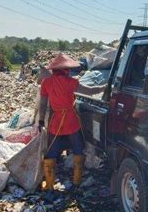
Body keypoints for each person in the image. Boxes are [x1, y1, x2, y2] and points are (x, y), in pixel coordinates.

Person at [37, 54, 105, 196]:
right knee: (78, 149)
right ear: (66, 69)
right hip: (71, 120)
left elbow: (42, 104)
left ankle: (49, 187)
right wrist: (105, 87)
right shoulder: (71, 82)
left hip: (56, 122)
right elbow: (90, 91)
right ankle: (76, 182)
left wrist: (41, 121)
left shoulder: (46, 82)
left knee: (51, 153)